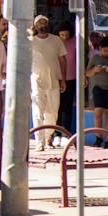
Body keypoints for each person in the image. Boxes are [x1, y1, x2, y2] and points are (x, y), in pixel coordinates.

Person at [27, 15, 66, 147]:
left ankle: (48, 136)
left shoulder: (56, 40)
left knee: (52, 113)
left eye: (44, 23)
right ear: (35, 26)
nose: (42, 25)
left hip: (54, 81)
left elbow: (62, 60)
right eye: (39, 23)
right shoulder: (30, 41)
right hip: (36, 81)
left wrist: (64, 80)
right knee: (38, 112)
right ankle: (39, 142)